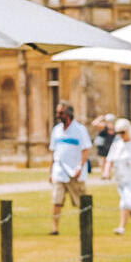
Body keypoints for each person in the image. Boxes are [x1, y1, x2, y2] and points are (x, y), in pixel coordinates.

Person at [48, 101, 90, 235]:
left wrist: (79, 167)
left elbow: (85, 150)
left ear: (69, 114)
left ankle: (85, 228)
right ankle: (55, 228)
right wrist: (50, 172)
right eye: (57, 112)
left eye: (61, 113)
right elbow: (53, 152)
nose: (58, 115)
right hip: (59, 172)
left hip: (74, 172)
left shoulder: (80, 130)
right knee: (56, 201)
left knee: (81, 203)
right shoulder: (56, 130)